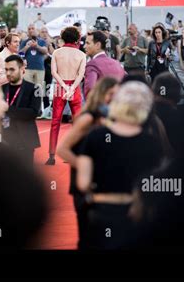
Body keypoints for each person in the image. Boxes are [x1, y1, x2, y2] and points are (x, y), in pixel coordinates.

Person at [76, 82, 162, 249]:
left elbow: (83, 183)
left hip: (101, 209)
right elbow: (154, 183)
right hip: (135, 213)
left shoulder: (96, 137)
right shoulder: (151, 142)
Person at [57, 77, 119, 249]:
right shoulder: (87, 118)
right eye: (111, 94)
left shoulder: (109, 116)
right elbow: (62, 149)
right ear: (101, 94)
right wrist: (85, 167)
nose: (114, 99)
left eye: (117, 95)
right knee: (87, 235)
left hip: (100, 183)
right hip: (81, 182)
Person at [46, 27, 86, 165]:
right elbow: (80, 75)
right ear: (76, 38)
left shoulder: (57, 52)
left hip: (60, 87)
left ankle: (51, 156)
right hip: (74, 88)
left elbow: (53, 73)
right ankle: (75, 152)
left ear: (63, 37)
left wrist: (63, 86)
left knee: (55, 122)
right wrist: (71, 88)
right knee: (78, 123)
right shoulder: (81, 55)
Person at [1, 55, 41, 166]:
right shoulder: (0, 89)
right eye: (6, 69)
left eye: (12, 69)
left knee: (24, 180)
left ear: (22, 69)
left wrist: (8, 109)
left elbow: (33, 113)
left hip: (25, 141)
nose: (8, 73)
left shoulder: (34, 88)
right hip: (4, 140)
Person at [84, 31, 125, 98]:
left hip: (100, 105)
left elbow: (89, 90)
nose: (84, 46)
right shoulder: (116, 63)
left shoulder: (92, 65)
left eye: (88, 43)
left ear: (98, 45)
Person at [19, 24, 48, 93]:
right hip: (27, 69)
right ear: (27, 31)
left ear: (36, 30)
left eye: (32, 28)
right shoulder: (24, 42)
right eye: (29, 29)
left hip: (40, 69)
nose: (31, 30)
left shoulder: (41, 41)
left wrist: (37, 46)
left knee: (39, 91)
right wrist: (26, 47)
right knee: (27, 91)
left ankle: (38, 104)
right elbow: (20, 55)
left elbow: (45, 51)